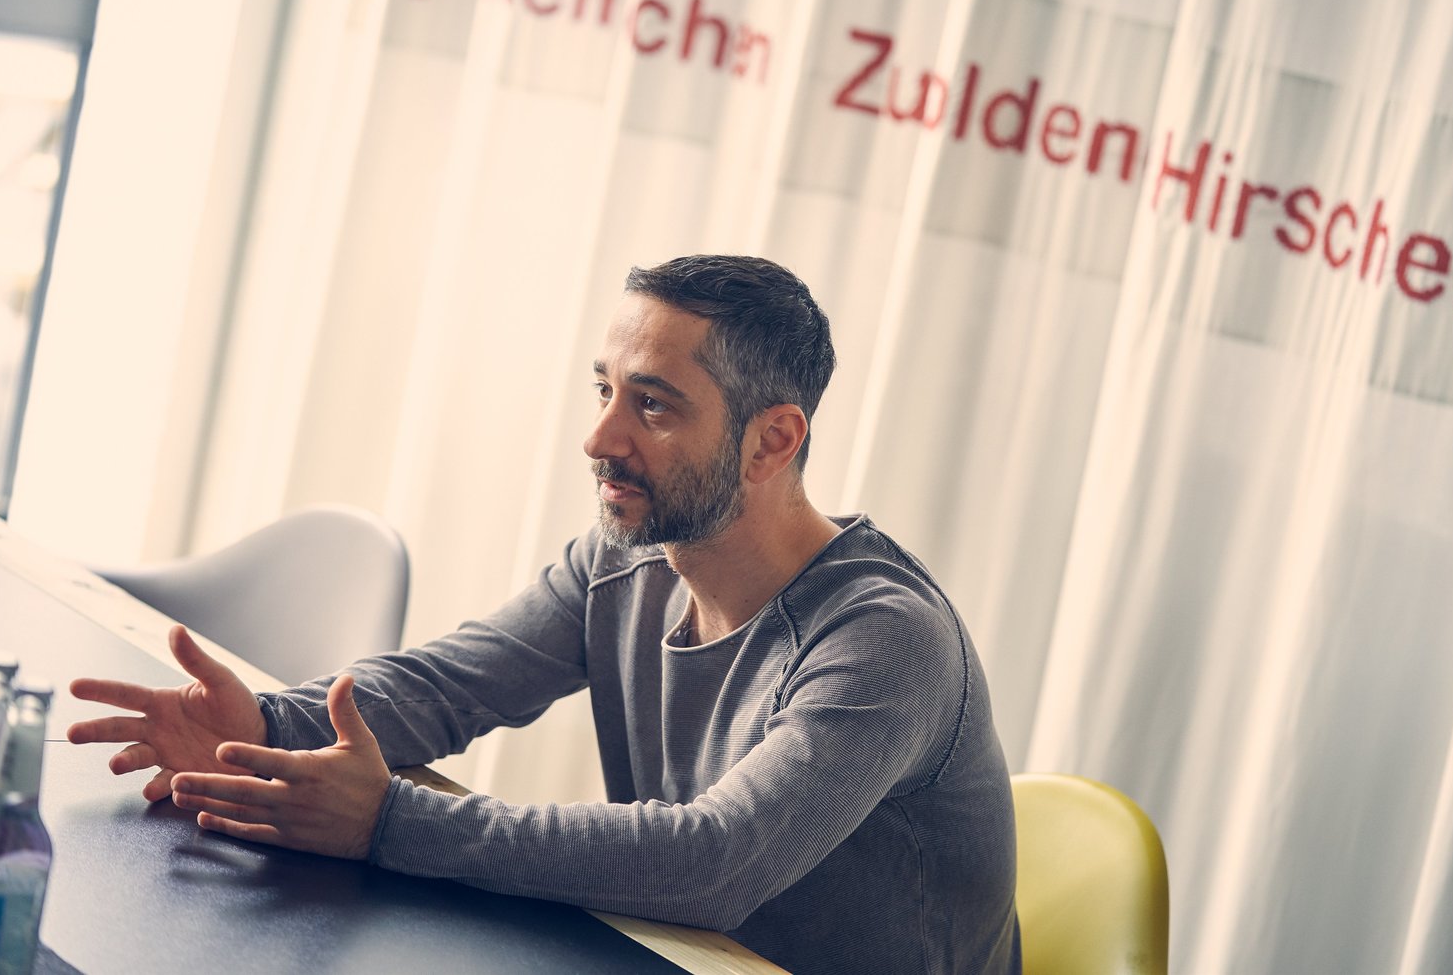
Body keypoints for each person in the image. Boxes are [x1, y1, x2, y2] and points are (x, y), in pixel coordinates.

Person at [67, 255, 1021, 974]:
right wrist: (269, 726)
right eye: (605, 390)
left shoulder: (885, 638)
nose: (600, 436)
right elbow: (445, 686)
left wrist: (387, 820)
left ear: (771, 440)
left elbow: (713, 863)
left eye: (652, 406)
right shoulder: (628, 559)